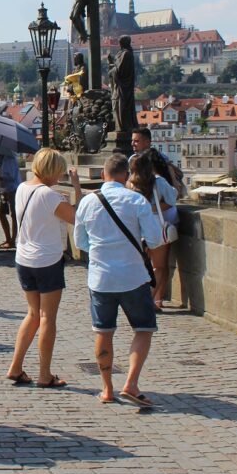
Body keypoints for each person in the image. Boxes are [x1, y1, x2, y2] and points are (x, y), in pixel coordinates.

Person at [73, 153, 165, 408]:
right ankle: (131, 383)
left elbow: (80, 243)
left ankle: (106, 389)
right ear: (126, 175)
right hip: (133, 276)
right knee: (144, 328)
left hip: (100, 279)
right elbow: (156, 240)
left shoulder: (87, 202)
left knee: (103, 332)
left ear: (103, 174)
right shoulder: (136, 200)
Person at [5, 149, 82, 388]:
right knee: (48, 317)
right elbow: (77, 218)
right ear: (52, 170)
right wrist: (77, 187)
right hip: (47, 260)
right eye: (59, 171)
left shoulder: (22, 188)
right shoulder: (50, 195)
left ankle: (15, 367)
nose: (60, 175)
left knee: (32, 314)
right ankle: (45, 374)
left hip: (24, 259)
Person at [127, 154, 178, 311]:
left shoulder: (129, 184)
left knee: (141, 265)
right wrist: (152, 208)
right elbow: (171, 200)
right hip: (155, 226)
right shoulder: (159, 181)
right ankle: (150, 299)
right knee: (159, 267)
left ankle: (139, 298)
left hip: (135, 227)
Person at [0, 152, 22, 250]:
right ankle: (8, 239)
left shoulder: (9, 158)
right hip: (6, 189)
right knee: (1, 213)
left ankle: (12, 241)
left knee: (14, 215)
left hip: (13, 189)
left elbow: (10, 176)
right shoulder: (2, 158)